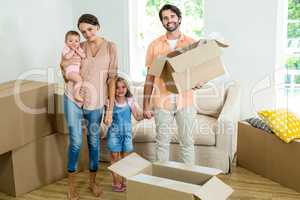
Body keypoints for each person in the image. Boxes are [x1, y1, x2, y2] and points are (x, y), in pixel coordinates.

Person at [60, 14, 118, 200]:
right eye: (83, 31)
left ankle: (93, 183)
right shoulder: (78, 45)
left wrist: (109, 109)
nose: (86, 34)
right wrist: (63, 68)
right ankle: (71, 186)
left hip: (96, 101)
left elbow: (112, 79)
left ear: (98, 26)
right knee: (76, 141)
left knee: (93, 142)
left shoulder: (111, 47)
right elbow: (64, 66)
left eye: (90, 29)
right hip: (73, 98)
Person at [143, 4, 204, 165]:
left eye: (172, 16)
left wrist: (199, 82)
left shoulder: (192, 43)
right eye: (165, 18)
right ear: (162, 22)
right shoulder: (154, 46)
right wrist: (145, 105)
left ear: (179, 18)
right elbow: (149, 78)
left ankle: (188, 181)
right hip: (162, 101)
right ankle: (162, 182)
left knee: (187, 143)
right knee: (162, 143)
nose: (169, 20)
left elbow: (200, 73)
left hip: (186, 101)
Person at [106, 77, 143, 192]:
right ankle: (116, 180)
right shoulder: (110, 102)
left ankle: (124, 179)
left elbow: (137, 116)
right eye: (117, 88)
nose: (120, 90)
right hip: (114, 133)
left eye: (123, 87)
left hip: (126, 134)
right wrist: (107, 118)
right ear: (112, 90)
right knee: (115, 156)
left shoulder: (130, 100)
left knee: (125, 157)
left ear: (127, 88)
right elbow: (106, 119)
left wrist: (145, 114)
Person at [61, 30, 86, 102]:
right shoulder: (66, 49)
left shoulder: (79, 49)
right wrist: (72, 50)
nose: (74, 43)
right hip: (69, 72)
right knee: (79, 80)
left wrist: (77, 51)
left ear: (79, 42)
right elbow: (67, 57)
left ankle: (76, 93)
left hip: (76, 72)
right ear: (66, 42)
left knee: (79, 79)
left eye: (76, 41)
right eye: (70, 41)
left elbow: (83, 56)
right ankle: (76, 94)